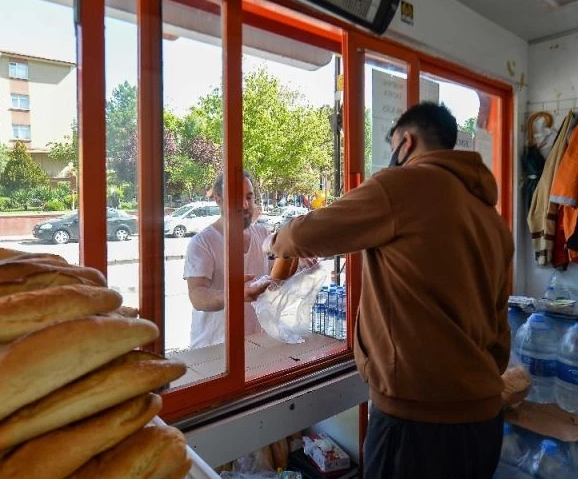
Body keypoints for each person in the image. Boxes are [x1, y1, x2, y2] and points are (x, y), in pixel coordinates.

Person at [265, 103, 514, 478]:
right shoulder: (490, 218)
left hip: (417, 424)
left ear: (407, 141)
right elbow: (499, 326)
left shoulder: (403, 186)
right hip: (482, 417)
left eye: (393, 144)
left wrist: (275, 240)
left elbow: (305, 234)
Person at [183, 171, 272, 349]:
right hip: (214, 349)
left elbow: (276, 277)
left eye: (249, 197)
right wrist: (233, 295)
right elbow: (197, 296)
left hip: (256, 344)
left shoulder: (263, 235)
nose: (246, 205)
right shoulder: (202, 243)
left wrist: (300, 259)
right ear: (218, 200)